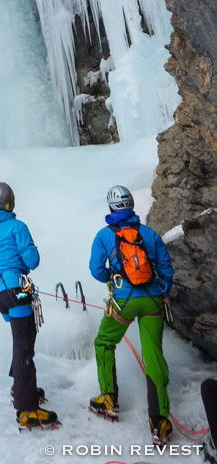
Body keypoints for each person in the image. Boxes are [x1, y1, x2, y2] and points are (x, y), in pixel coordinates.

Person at [89, 184, 174, 445]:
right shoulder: (149, 234)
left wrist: (113, 280)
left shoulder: (104, 236)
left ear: (111, 207)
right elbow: (167, 271)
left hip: (123, 302)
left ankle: (109, 400)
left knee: (104, 343)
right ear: (132, 204)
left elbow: (96, 269)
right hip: (152, 302)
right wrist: (159, 290)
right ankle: (159, 421)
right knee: (153, 356)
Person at [0, 181, 59, 430]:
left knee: (24, 336)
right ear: (10, 202)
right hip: (16, 290)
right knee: (24, 342)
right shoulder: (17, 226)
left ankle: (21, 384)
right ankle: (26, 408)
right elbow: (32, 259)